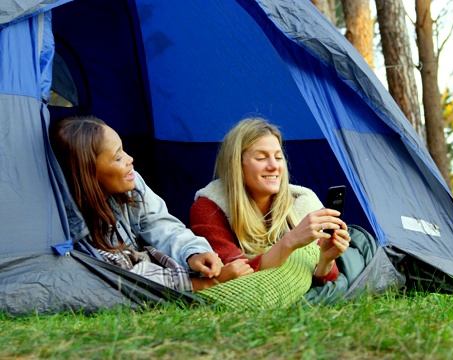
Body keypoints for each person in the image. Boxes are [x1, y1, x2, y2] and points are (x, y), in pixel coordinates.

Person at [50, 116, 253, 292]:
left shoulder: (132, 184)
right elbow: (121, 278)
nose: (130, 159)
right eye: (118, 157)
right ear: (88, 173)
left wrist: (194, 253)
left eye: (124, 151)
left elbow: (161, 225)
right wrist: (206, 284)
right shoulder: (71, 224)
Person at [190, 117, 351, 287]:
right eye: (261, 158)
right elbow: (235, 274)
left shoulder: (302, 204)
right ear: (236, 164)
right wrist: (291, 241)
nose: (274, 166)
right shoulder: (210, 207)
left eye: (278, 157)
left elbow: (326, 277)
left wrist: (326, 259)